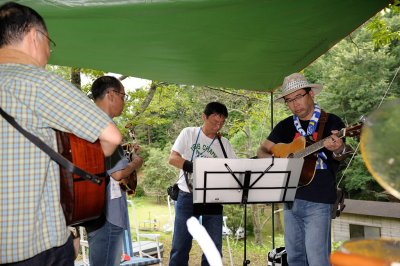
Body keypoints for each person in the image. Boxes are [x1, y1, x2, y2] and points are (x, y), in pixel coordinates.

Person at [0, 2, 122, 265]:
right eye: (49, 44)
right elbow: (111, 136)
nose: (48, 53)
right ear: (35, 36)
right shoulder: (36, 81)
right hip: (35, 246)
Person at [257, 73, 351, 266]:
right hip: (290, 200)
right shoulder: (285, 125)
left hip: (318, 201)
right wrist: (278, 162)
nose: (294, 104)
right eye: (289, 100)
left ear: (311, 94)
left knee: (317, 260)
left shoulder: (331, 122)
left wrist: (338, 148)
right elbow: (262, 151)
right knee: (295, 259)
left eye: (299, 96)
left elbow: (341, 154)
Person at [168, 102, 237, 266]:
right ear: (204, 117)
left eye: (221, 123)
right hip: (187, 195)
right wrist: (194, 167)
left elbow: (235, 169)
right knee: (180, 246)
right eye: (214, 122)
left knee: (212, 248)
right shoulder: (189, 133)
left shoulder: (224, 143)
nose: (218, 126)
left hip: (213, 197)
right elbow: (173, 158)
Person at [87, 75, 144, 266]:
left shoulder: (87, 122)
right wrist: (136, 164)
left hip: (95, 209)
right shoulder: (106, 128)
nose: (124, 102)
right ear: (111, 94)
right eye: (123, 96)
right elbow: (117, 174)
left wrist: (127, 155)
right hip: (108, 213)